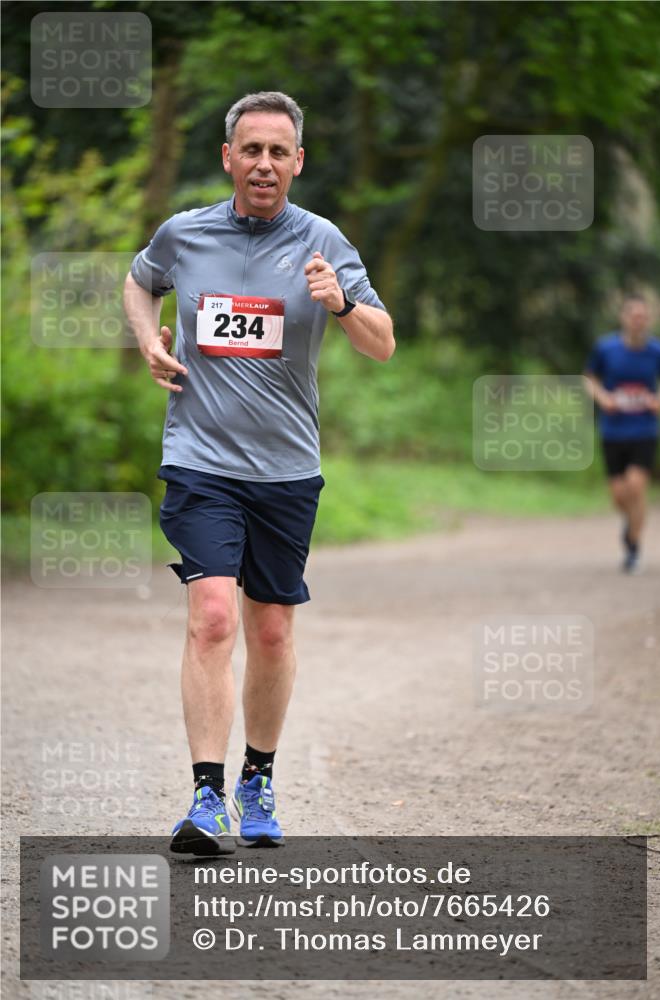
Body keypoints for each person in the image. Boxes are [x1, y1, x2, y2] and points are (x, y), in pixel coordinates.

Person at [123, 92, 394, 854]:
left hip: (284, 470)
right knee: (211, 616)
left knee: (270, 631)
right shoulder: (185, 233)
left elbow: (382, 343)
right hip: (200, 460)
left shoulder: (323, 240)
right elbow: (139, 281)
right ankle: (205, 797)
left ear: (298, 161)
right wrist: (149, 339)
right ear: (228, 158)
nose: (264, 164)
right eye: (251, 150)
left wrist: (340, 303)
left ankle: (258, 779)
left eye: (279, 152)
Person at [585, 295, 660, 573]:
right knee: (619, 494)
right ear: (624, 317)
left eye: (643, 316)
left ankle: (633, 545)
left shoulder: (658, 351)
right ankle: (630, 523)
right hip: (613, 430)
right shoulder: (606, 349)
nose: (638, 320)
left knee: (636, 486)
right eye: (634, 315)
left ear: (648, 320)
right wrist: (603, 398)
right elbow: (589, 378)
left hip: (644, 429)